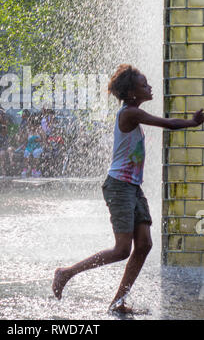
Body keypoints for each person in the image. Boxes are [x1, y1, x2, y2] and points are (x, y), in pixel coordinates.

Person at [52, 64, 204, 314]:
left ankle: (118, 302)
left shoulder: (132, 112)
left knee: (143, 245)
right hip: (119, 187)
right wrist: (192, 122)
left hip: (132, 187)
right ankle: (66, 273)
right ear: (132, 93)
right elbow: (164, 123)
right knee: (122, 249)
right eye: (144, 85)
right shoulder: (130, 113)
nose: (150, 87)